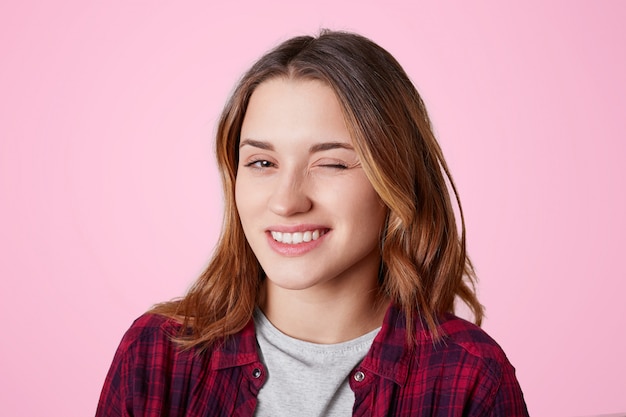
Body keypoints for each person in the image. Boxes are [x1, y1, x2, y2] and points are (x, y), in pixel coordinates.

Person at [96, 30, 529, 416]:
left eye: (332, 164)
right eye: (262, 162)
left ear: (395, 179)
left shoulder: (470, 379)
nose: (286, 201)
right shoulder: (155, 357)